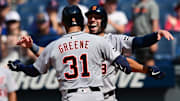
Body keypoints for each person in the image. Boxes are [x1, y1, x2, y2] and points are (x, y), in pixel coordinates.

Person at [16, 5, 170, 101]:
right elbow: (52, 55)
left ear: (104, 21)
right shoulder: (80, 41)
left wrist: (154, 37)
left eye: (97, 17)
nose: (93, 20)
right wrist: (34, 47)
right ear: (85, 21)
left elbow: (138, 43)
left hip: (106, 95)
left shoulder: (112, 39)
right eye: (90, 17)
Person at [132, 0, 160, 66]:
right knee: (138, 66)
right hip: (137, 39)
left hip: (147, 39)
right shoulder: (135, 4)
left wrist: (154, 41)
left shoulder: (152, 4)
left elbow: (155, 23)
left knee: (149, 66)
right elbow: (133, 22)